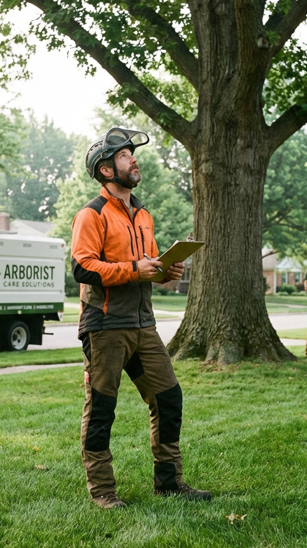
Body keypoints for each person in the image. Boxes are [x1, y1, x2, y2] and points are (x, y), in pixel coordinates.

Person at [71, 127, 212, 509]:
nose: (133, 159)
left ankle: (168, 483)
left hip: (143, 326)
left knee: (168, 397)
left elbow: (148, 265)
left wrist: (167, 271)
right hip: (105, 328)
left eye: (132, 154)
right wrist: (136, 269)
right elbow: (83, 268)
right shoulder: (91, 214)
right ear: (105, 170)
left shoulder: (143, 214)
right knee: (101, 409)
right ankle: (102, 491)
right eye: (123, 155)